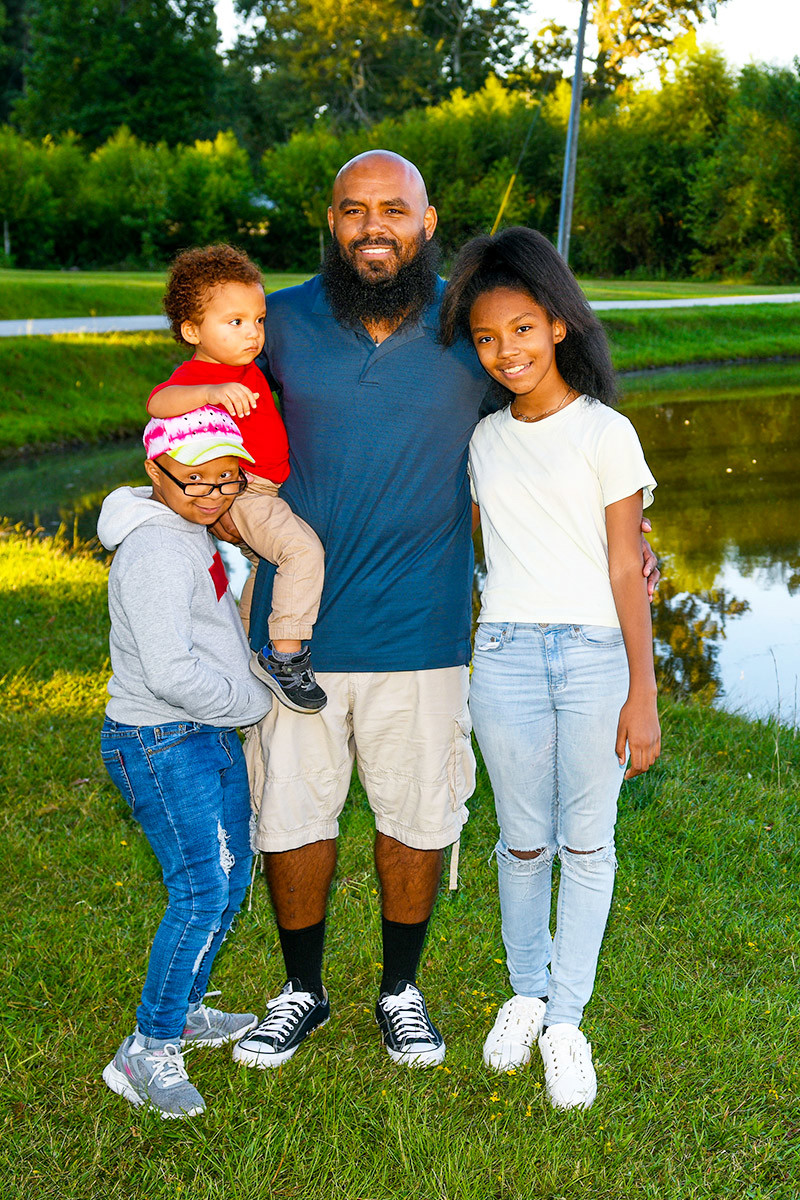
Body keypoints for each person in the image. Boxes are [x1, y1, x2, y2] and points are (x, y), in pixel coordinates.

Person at [229, 151, 659, 1072]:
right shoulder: (281, 324)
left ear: (429, 224)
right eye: (354, 210)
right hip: (294, 635)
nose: (372, 226)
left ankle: (400, 991)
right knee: (291, 819)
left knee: (417, 817)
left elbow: (548, 426)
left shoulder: (469, 330)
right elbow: (204, 426)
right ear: (331, 223)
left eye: (393, 210)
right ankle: (301, 989)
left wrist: (633, 535)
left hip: (423, 633)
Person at [439, 226, 661, 1110]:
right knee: (522, 841)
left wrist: (643, 692)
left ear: (559, 325)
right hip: (504, 657)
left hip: (597, 654)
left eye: (523, 330)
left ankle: (567, 1020)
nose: (506, 352)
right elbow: (492, 554)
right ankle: (525, 995)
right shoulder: (484, 441)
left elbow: (623, 564)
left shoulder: (607, 433)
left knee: (587, 840)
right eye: (487, 339)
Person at [98, 408, 272, 1118]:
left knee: (230, 879)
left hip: (202, 733)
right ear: (155, 471)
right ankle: (146, 1049)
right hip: (164, 739)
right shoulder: (156, 553)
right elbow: (170, 670)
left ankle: (187, 1008)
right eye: (192, 479)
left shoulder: (188, 532)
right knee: (202, 890)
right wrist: (248, 701)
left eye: (225, 478)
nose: (210, 493)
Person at [147, 244, 326, 714]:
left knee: (268, 568)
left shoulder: (246, 368)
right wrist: (209, 391)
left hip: (267, 489)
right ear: (192, 330)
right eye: (235, 322)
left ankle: (244, 650)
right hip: (244, 490)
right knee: (301, 551)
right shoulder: (200, 374)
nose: (253, 333)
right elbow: (157, 404)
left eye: (258, 320)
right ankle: (286, 656)